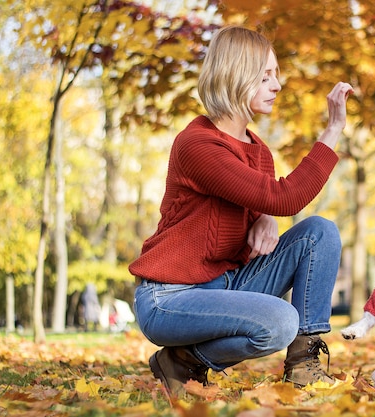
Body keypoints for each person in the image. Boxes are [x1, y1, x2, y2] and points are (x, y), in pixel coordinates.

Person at [129, 25, 353, 397]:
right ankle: (183, 361)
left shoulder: (259, 151)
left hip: (227, 284)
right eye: (265, 76)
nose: (276, 85)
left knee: (320, 232)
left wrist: (266, 214)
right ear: (234, 76)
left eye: (276, 74)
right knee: (280, 322)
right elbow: (285, 197)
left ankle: (303, 362)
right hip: (171, 298)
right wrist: (332, 130)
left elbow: (268, 200)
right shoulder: (198, 145)